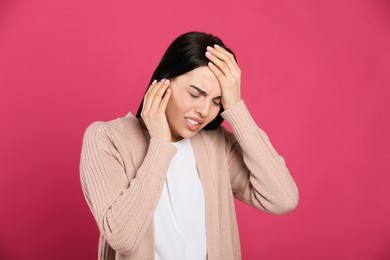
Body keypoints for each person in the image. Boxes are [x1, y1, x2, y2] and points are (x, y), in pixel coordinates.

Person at [80, 31, 299, 260]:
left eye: (217, 101)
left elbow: (283, 198)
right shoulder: (107, 139)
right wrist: (160, 145)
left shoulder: (216, 145)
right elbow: (122, 237)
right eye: (195, 94)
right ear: (164, 82)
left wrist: (236, 107)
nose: (205, 111)